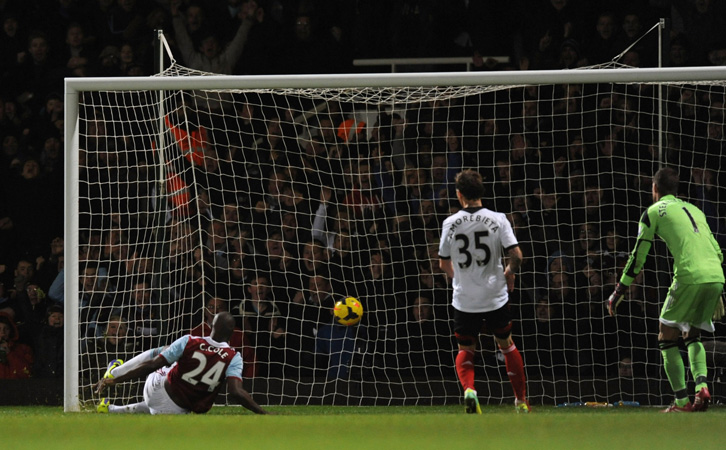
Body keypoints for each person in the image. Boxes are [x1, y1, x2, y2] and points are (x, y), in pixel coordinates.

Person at [607, 167, 725, 413]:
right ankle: (701, 386)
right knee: (692, 335)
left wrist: (618, 291)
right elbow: (717, 251)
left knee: (665, 335)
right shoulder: (695, 209)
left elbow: (638, 257)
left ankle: (681, 402)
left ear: (654, 189)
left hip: (690, 275)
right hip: (716, 276)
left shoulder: (653, 212)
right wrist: (718, 289)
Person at [438, 169, 529, 414]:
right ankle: (520, 401)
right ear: (481, 192)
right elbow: (517, 255)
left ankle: (469, 390)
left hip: (465, 300)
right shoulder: (499, 219)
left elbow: (443, 263)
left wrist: (460, 279)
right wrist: (509, 272)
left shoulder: (450, 222)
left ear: (459, 195)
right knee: (506, 345)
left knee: (465, 349)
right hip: (494, 296)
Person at [95, 311, 267, 415]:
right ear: (232, 333)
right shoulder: (233, 357)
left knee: (165, 351)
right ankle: (112, 409)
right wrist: (262, 412)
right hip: (179, 409)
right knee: (164, 406)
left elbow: (152, 365)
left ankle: (115, 374)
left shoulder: (189, 340)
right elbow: (236, 392)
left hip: (155, 388)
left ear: (211, 326)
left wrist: (116, 380)